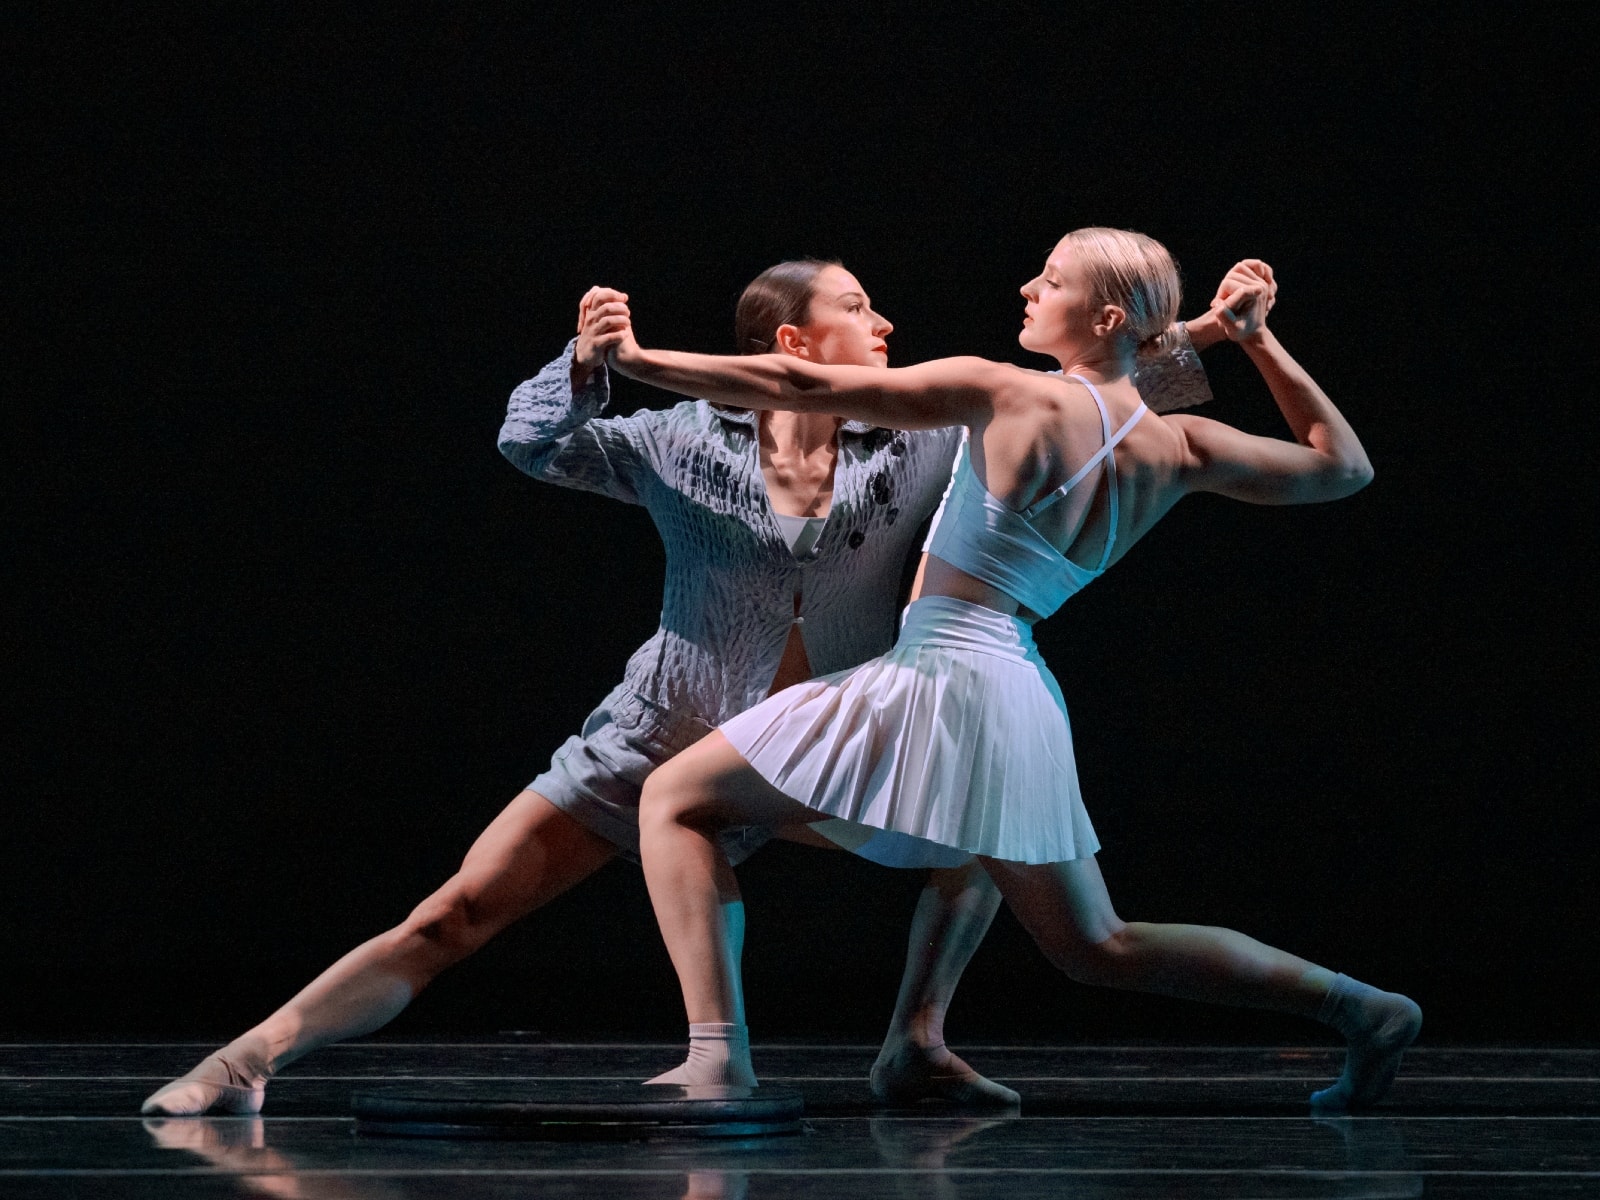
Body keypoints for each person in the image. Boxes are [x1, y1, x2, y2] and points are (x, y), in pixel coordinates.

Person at [139, 258, 1209, 1117]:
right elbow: (532, 443)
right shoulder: (673, 441)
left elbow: (1108, 414)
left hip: (815, 755)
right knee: (456, 912)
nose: (884, 322)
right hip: (663, 732)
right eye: (856, 306)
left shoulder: (927, 442)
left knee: (983, 819)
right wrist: (585, 360)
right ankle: (246, 1062)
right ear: (790, 343)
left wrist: (1207, 331)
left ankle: (916, 1043)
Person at [612, 229, 1422, 1111]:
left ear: (1104, 314)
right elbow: (1345, 467)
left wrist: (638, 358)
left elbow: (803, 383)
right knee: (1096, 945)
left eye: (1054, 280)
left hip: (941, 673)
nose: (1029, 287)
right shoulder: (1180, 446)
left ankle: (719, 1059)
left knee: (676, 798)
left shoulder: (1004, 392)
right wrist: (1252, 336)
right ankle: (1362, 1008)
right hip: (1018, 690)